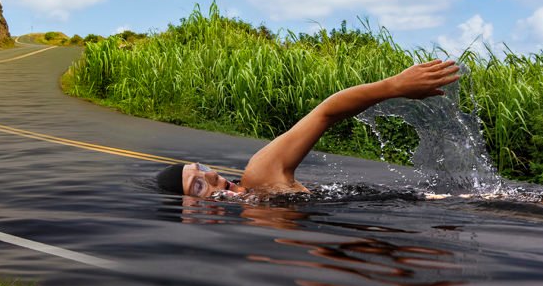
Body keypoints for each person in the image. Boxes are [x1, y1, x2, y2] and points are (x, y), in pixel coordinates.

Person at [154, 59, 461, 198]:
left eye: (202, 168)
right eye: (198, 185)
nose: (211, 175)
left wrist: (394, 86)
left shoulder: (259, 178)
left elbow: (325, 113)